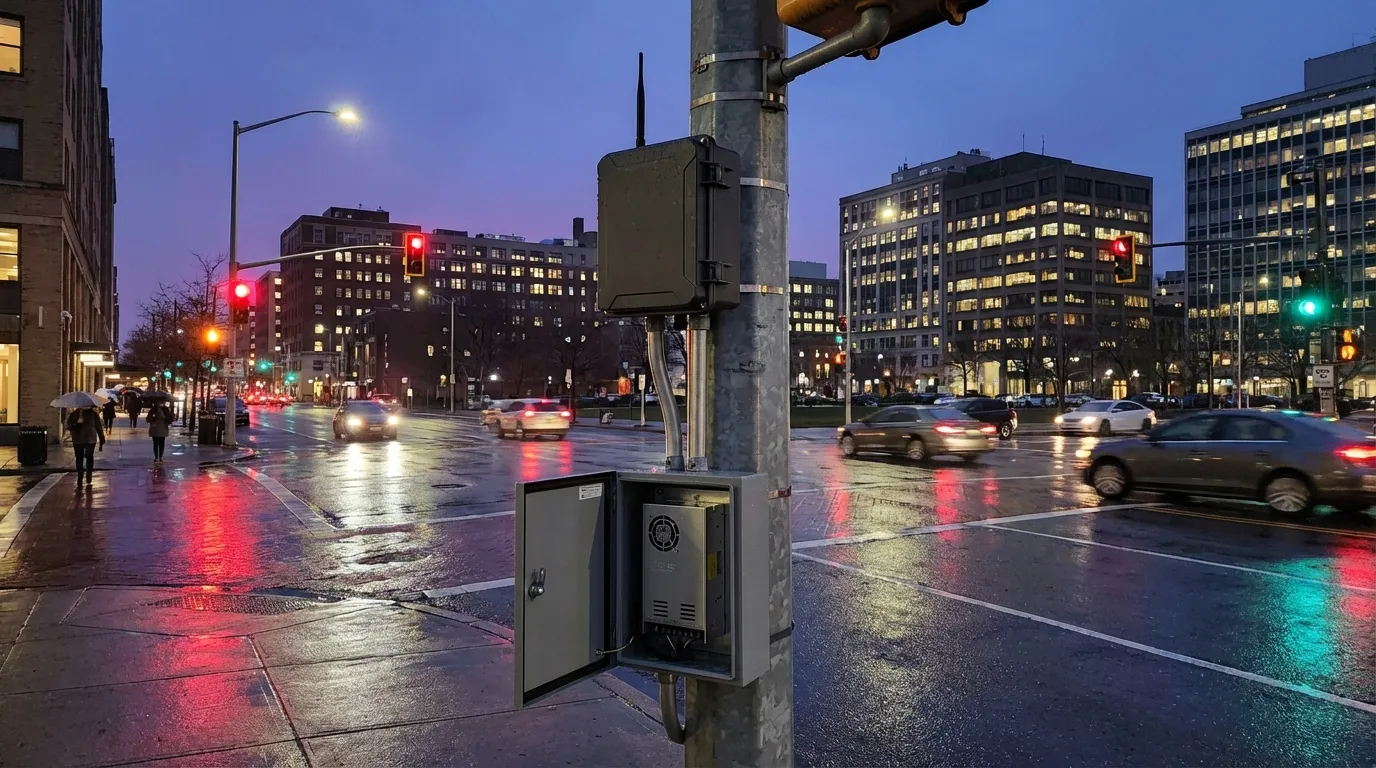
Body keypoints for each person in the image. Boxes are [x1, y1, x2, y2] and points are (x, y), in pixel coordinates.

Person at [66, 406, 105, 487]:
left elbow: (98, 426)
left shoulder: (91, 414)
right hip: (84, 439)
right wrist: (77, 425)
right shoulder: (77, 414)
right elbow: (69, 426)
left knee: (83, 457)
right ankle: (84, 476)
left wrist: (101, 438)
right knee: (86, 457)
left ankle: (85, 476)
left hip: (84, 440)